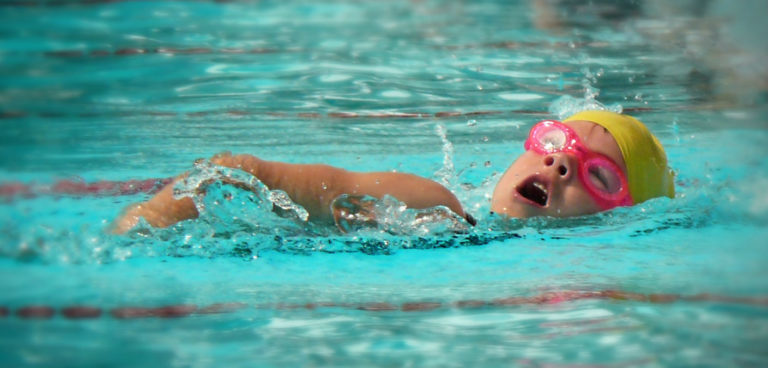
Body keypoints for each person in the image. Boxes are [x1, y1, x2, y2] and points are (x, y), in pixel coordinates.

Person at [112, 110, 675, 234]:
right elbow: (238, 173)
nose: (560, 162)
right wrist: (141, 226)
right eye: (554, 142)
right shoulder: (433, 205)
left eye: (600, 177)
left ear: (624, 218)